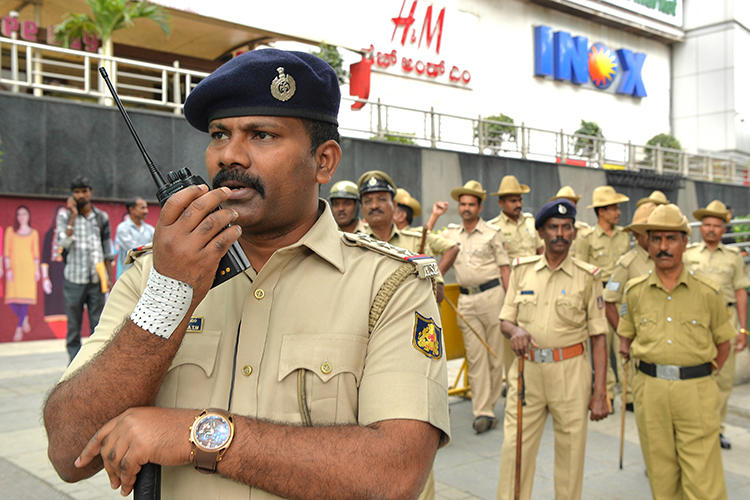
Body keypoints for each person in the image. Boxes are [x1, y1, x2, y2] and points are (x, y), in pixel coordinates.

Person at [43, 48, 450, 500]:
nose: (229, 155)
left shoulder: (389, 285)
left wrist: (200, 435)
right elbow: (68, 451)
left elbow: (394, 475)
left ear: (324, 161)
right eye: (219, 134)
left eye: (262, 135)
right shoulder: (153, 275)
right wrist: (167, 297)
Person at [618, 203, 735, 500]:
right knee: (661, 475)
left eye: (671, 239)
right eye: (656, 239)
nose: (664, 247)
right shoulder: (635, 291)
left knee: (703, 481)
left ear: (685, 242)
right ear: (648, 244)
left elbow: (723, 343)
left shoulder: (707, 292)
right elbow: (626, 339)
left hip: (695, 391)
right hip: (651, 391)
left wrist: (703, 374)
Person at [497, 198, 609, 500]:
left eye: (566, 228)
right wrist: (515, 330)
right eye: (554, 227)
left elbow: (599, 335)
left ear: (573, 233)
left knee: (571, 455)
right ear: (541, 233)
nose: (560, 233)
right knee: (515, 451)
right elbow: (505, 321)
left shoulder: (589, 276)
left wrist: (601, 391)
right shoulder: (522, 271)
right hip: (527, 374)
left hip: (571, 373)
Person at [441, 180, 510, 433]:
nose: (466, 208)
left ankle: (489, 404)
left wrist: (510, 304)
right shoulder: (450, 235)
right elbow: (424, 244)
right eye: (463, 204)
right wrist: (435, 216)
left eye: (471, 204)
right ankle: (483, 411)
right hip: (466, 300)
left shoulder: (493, 233)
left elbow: (505, 268)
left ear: (479, 207)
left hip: (493, 297)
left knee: (494, 356)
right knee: (476, 357)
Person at [684, 200, 750, 450]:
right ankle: (694, 427)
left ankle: (716, 430)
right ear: (701, 228)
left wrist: (743, 330)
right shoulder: (688, 254)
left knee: (722, 380)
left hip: (726, 320)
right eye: (707, 225)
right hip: (695, 323)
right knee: (694, 378)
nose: (711, 229)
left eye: (716, 225)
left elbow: (741, 292)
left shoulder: (733, 258)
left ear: (724, 229)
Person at [358, 170, 459, 304]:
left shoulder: (416, 242)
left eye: (381, 199)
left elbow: (438, 293)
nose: (374, 205)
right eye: (368, 201)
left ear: (393, 205)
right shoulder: (354, 246)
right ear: (361, 208)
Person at [575, 185, 630, 407]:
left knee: (623, 342)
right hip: (598, 296)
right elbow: (580, 269)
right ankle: (607, 393)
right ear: (601, 212)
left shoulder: (624, 236)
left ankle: (630, 394)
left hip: (621, 297)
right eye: (613, 208)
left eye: (617, 207)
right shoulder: (586, 238)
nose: (618, 212)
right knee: (602, 346)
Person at [602, 202, 657, 411]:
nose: (654, 238)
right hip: (636, 331)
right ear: (637, 235)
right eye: (648, 233)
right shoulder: (627, 263)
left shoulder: (666, 261)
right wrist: (623, 333)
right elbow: (609, 300)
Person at [56, 175, 115, 361]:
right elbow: (63, 243)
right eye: (77, 192)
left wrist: (108, 277)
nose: (81, 195)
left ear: (91, 193)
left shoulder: (101, 217)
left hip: (96, 280)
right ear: (72, 195)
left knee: (98, 326)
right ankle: (73, 367)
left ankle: (93, 365)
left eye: (84, 191)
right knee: (73, 328)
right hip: (74, 279)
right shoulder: (64, 215)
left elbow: (107, 249)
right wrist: (73, 216)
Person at [4, 205, 40, 342]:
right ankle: (24, 318)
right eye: (19, 214)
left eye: (24, 214)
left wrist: (37, 271)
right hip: (14, 269)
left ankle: (19, 328)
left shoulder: (34, 233)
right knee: (12, 299)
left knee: (26, 299)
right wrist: (8, 269)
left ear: (28, 216)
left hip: (28, 269)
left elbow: (35, 254)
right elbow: (7, 252)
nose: (21, 217)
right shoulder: (10, 231)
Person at [488, 175, 543, 258]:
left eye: (520, 200)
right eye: (513, 201)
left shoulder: (530, 220)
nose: (519, 204)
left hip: (533, 269)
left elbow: (540, 249)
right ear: (501, 203)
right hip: (512, 270)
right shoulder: (493, 227)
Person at [114, 197, 155, 279]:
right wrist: (150, 249)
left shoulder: (150, 229)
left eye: (146, 208)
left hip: (147, 275)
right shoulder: (123, 228)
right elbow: (134, 250)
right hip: (128, 276)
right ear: (132, 209)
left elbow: (157, 247)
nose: (146, 211)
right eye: (142, 208)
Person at [548, 185, 589, 254]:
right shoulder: (548, 231)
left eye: (571, 206)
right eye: (564, 206)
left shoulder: (586, 230)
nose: (567, 209)